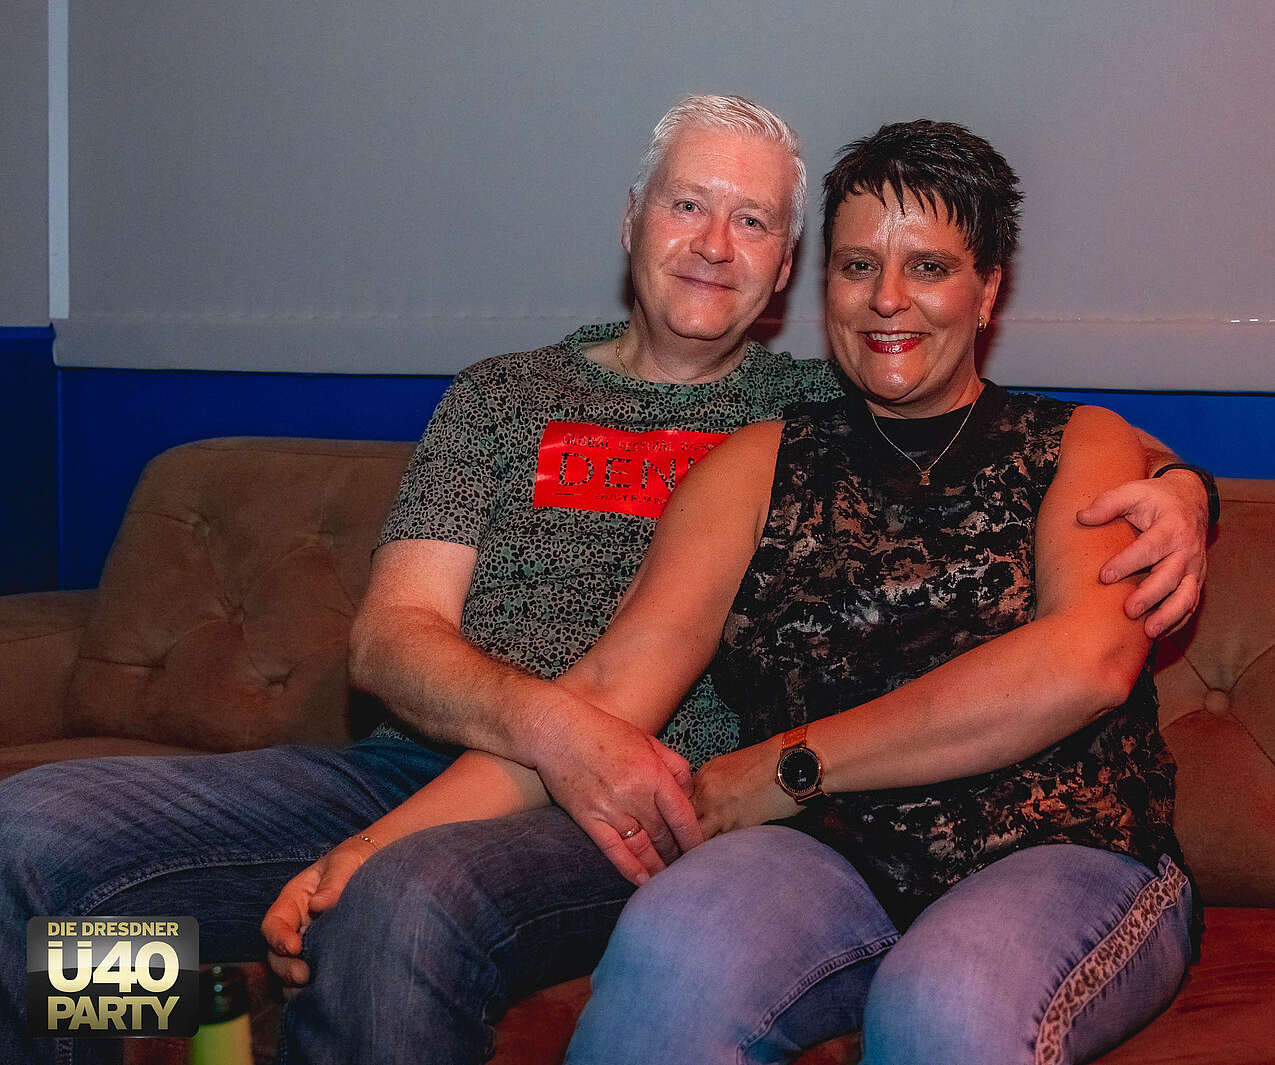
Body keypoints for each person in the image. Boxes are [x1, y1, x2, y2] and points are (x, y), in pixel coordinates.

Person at [0, 96, 1206, 1065]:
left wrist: (1186, 490)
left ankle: (280, 972)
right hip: (436, 763)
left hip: (639, 805)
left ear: (786, 268)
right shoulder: (502, 398)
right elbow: (391, 639)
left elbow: (1012, 441)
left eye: (751, 222)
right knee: (35, 844)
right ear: (633, 220)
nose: (713, 244)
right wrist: (546, 728)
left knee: (402, 899)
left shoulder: (808, 410)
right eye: (688, 204)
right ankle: (178, 1003)